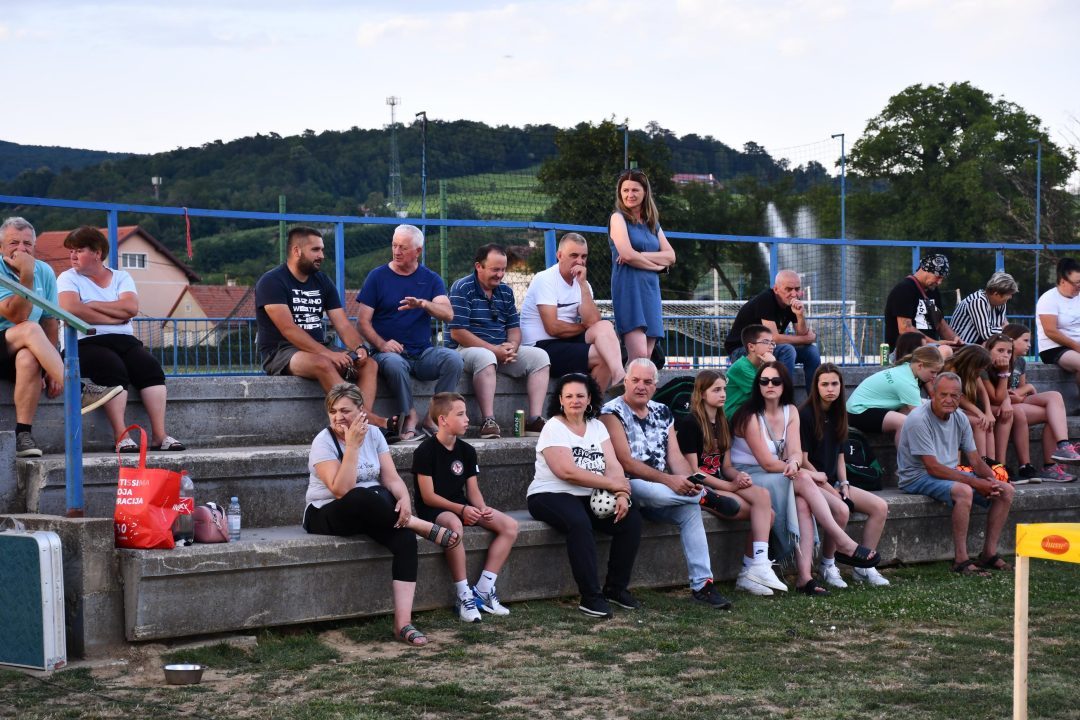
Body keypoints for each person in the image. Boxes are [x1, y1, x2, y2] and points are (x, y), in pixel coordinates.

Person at [304, 383, 462, 646]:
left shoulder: (375, 434)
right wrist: (352, 446)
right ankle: (416, 524)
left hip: (374, 511)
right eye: (332, 411)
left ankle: (403, 624)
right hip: (326, 513)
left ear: (361, 410)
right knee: (361, 495)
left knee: (405, 539)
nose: (338, 417)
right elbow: (341, 490)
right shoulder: (323, 441)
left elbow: (391, 478)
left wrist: (404, 499)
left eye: (345, 410)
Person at [730, 361, 880, 597]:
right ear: (757, 385)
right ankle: (843, 542)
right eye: (764, 381)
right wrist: (803, 471)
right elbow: (766, 463)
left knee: (802, 502)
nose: (770, 385)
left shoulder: (790, 411)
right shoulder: (749, 416)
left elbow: (796, 452)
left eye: (776, 381)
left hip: (779, 473)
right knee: (803, 480)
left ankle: (804, 578)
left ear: (784, 385)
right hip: (750, 473)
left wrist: (795, 463)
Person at [601, 359, 742, 610]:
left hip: (663, 491)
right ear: (626, 382)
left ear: (655, 386)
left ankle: (703, 585)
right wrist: (670, 480)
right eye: (635, 380)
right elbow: (626, 462)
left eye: (647, 382)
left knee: (689, 510)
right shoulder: (611, 412)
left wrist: (689, 481)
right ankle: (705, 496)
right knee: (649, 489)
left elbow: (675, 457)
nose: (641, 386)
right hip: (627, 486)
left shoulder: (663, 411)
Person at [255, 226, 393, 436]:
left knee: (369, 364)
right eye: (315, 250)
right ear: (296, 251)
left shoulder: (322, 281)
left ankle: (359, 425)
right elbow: (288, 329)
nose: (322, 255)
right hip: (281, 351)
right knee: (323, 363)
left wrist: (359, 348)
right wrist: (328, 354)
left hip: (318, 347)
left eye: (322, 250)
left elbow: (343, 324)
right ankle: (371, 422)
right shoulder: (271, 281)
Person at [56, 226, 184, 452]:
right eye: (71, 251)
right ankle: (121, 436)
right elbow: (72, 309)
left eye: (79, 250)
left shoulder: (121, 277)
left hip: (123, 339)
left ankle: (159, 435)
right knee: (112, 368)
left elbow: (131, 307)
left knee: (150, 368)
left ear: (97, 253)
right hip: (85, 342)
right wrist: (115, 318)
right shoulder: (68, 277)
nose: (73, 256)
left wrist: (92, 304)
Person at [0, 217, 121, 456]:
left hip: (19, 349)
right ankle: (78, 390)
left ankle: (23, 435)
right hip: (6, 338)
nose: (22, 249)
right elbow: (17, 315)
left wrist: (51, 364)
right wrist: (26, 273)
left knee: (29, 358)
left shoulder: (44, 271)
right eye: (14, 243)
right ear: (1, 246)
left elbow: (49, 320)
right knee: (29, 328)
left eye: (27, 243)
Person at [526, 373, 642, 619]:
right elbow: (566, 472)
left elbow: (613, 465)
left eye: (580, 395)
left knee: (631, 519)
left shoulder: (597, 426)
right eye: (568, 396)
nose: (574, 400)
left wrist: (622, 493)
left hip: (590, 494)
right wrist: (613, 484)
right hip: (550, 494)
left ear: (590, 399)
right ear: (560, 400)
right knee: (579, 522)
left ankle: (615, 589)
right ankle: (590, 597)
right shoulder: (553, 427)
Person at [676, 369, 789, 596]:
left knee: (765, 503)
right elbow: (693, 472)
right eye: (716, 390)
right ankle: (752, 569)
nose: (723, 394)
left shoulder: (722, 422)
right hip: (700, 489)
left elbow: (725, 466)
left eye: (724, 389)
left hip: (720, 483)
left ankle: (754, 568)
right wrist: (729, 486)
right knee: (765, 513)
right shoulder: (690, 423)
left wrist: (737, 476)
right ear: (702, 393)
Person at [412, 392, 519, 622]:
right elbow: (428, 497)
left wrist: (481, 508)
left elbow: (473, 491)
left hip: (461, 506)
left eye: (466, 413)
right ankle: (463, 595)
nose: (467, 419)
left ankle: (483, 589)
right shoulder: (424, 451)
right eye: (460, 414)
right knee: (454, 526)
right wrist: (461, 511)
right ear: (443, 420)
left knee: (509, 526)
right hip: (434, 510)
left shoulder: (467, 451)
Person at [896, 372, 1015, 576]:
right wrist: (976, 484)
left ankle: (989, 554)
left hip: (947, 473)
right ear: (933, 394)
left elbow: (975, 460)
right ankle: (961, 560)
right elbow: (932, 467)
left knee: (1006, 491)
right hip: (916, 476)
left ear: (960, 397)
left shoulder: (960, 417)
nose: (948, 400)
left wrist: (992, 482)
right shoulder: (918, 419)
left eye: (954, 395)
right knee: (964, 491)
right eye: (943, 395)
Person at [356, 224, 463, 441]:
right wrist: (382, 344)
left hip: (422, 353)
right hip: (388, 353)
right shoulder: (377, 277)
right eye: (394, 245)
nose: (396, 251)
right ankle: (410, 416)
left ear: (418, 251)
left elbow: (448, 314)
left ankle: (433, 418)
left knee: (454, 360)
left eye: (403, 248)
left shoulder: (431, 279)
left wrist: (424, 304)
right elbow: (362, 322)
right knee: (394, 363)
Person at [799, 364, 890, 588]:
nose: (830, 389)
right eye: (824, 384)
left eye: (834, 384)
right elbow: (803, 459)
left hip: (834, 481)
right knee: (842, 510)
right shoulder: (805, 414)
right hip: (812, 480)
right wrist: (829, 488)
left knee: (880, 507)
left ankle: (863, 567)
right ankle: (827, 565)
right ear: (816, 387)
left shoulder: (839, 412)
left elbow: (840, 455)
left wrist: (845, 483)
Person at [447, 244, 549, 439]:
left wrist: (512, 347)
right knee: (485, 357)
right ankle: (488, 421)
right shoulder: (461, 288)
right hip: (465, 350)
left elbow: (514, 329)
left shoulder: (506, 291)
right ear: (479, 266)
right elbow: (458, 333)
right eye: (495, 269)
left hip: (499, 351)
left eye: (503, 269)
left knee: (540, 357)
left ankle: (534, 420)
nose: (500, 275)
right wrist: (494, 350)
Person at [519, 233, 625, 391]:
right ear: (559, 255)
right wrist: (584, 326)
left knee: (605, 326)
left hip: (566, 341)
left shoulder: (583, 284)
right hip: (540, 346)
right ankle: (592, 404)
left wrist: (582, 285)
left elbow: (594, 322)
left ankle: (619, 374)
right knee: (603, 355)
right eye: (574, 255)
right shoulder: (545, 279)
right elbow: (553, 328)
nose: (580, 261)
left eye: (584, 256)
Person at [607, 169, 675, 363]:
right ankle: (623, 383)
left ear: (645, 192)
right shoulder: (617, 218)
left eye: (635, 190)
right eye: (625, 190)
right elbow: (627, 255)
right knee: (638, 356)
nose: (630, 194)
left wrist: (641, 255)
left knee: (646, 359)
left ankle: (631, 382)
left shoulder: (652, 223)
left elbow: (671, 256)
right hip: (628, 288)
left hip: (650, 291)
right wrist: (656, 267)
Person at [1000, 323, 1080, 482]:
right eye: (1025, 340)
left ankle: (1061, 449)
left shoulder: (1020, 362)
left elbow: (1021, 390)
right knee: (1052, 414)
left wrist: (1025, 390)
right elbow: (1002, 393)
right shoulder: (1000, 360)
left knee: (1054, 398)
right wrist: (1025, 390)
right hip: (1005, 404)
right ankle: (1049, 462)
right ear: (1011, 341)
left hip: (1018, 400)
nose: (1029, 345)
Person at [723, 270, 820, 393]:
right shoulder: (766, 299)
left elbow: (802, 334)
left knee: (811, 351)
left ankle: (814, 399)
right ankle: (784, 397)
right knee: (787, 350)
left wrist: (800, 315)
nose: (794, 294)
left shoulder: (791, 302)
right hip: (741, 350)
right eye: (788, 289)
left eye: (797, 289)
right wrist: (806, 339)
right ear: (776, 289)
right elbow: (774, 338)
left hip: (767, 347)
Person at [847, 345, 943, 445]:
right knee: (904, 422)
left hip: (860, 409)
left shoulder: (905, 369)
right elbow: (921, 415)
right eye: (933, 372)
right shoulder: (907, 382)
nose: (934, 376)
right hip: (857, 412)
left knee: (918, 407)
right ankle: (905, 455)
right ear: (920, 366)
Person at [944, 345, 1011, 469]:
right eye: (980, 368)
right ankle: (981, 462)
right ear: (972, 364)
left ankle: (992, 463)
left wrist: (988, 412)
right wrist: (980, 413)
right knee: (980, 422)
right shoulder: (951, 370)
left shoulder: (974, 372)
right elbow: (959, 397)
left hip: (961, 408)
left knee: (988, 421)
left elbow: (982, 391)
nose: (981, 371)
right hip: (950, 407)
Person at [882, 253, 961, 355]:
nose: (939, 282)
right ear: (925, 270)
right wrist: (936, 344)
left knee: (967, 353)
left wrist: (956, 341)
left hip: (929, 351)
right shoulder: (904, 290)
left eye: (942, 278)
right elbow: (905, 329)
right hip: (904, 353)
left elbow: (941, 324)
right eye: (938, 277)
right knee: (945, 351)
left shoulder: (933, 291)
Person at [1035, 257, 1080, 395]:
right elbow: (1050, 331)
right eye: (1076, 283)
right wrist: (1076, 346)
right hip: (1054, 348)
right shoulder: (1048, 299)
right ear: (1062, 281)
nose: (1079, 286)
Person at [723, 324, 777, 421]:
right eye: (766, 342)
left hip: (750, 411)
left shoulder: (762, 365)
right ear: (751, 347)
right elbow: (764, 393)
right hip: (734, 415)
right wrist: (772, 364)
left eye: (772, 343)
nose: (771, 347)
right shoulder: (742, 367)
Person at [950, 272, 1018, 345]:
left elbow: (999, 329)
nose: (1010, 297)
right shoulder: (977, 301)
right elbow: (987, 334)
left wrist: (1006, 330)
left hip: (978, 345)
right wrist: (1006, 330)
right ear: (996, 294)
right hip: (961, 346)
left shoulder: (1001, 303)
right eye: (1009, 294)